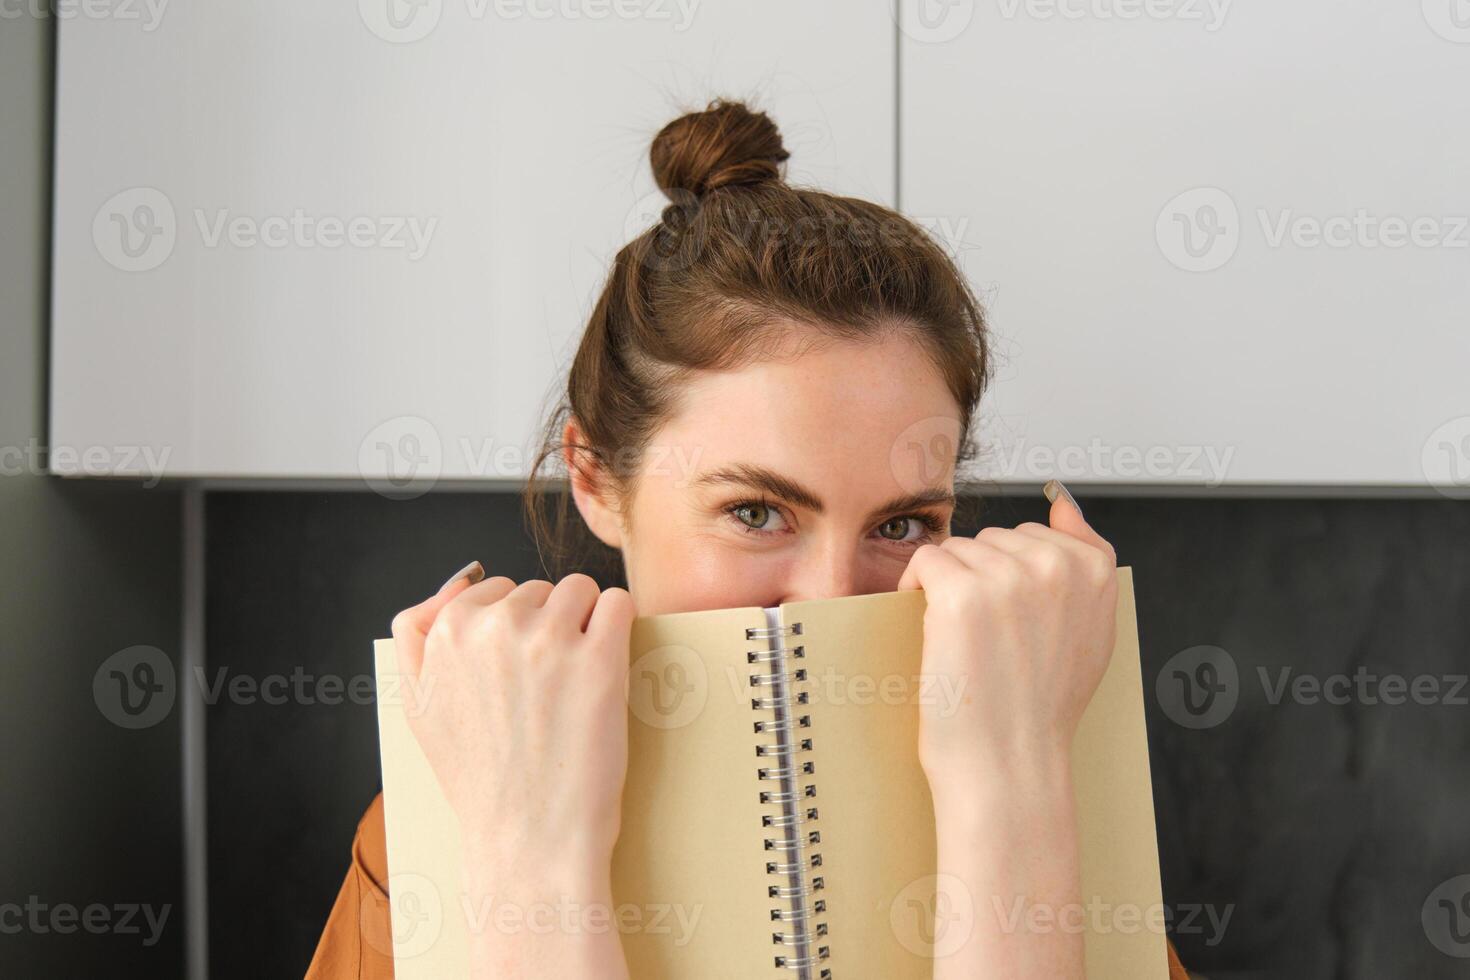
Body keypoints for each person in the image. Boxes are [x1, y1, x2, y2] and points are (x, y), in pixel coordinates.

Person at [306, 98, 1191, 979]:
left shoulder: (1055, 779)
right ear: (596, 479)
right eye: (757, 513)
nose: (833, 599)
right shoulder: (434, 827)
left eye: (901, 524)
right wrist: (527, 859)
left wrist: (1014, 786)